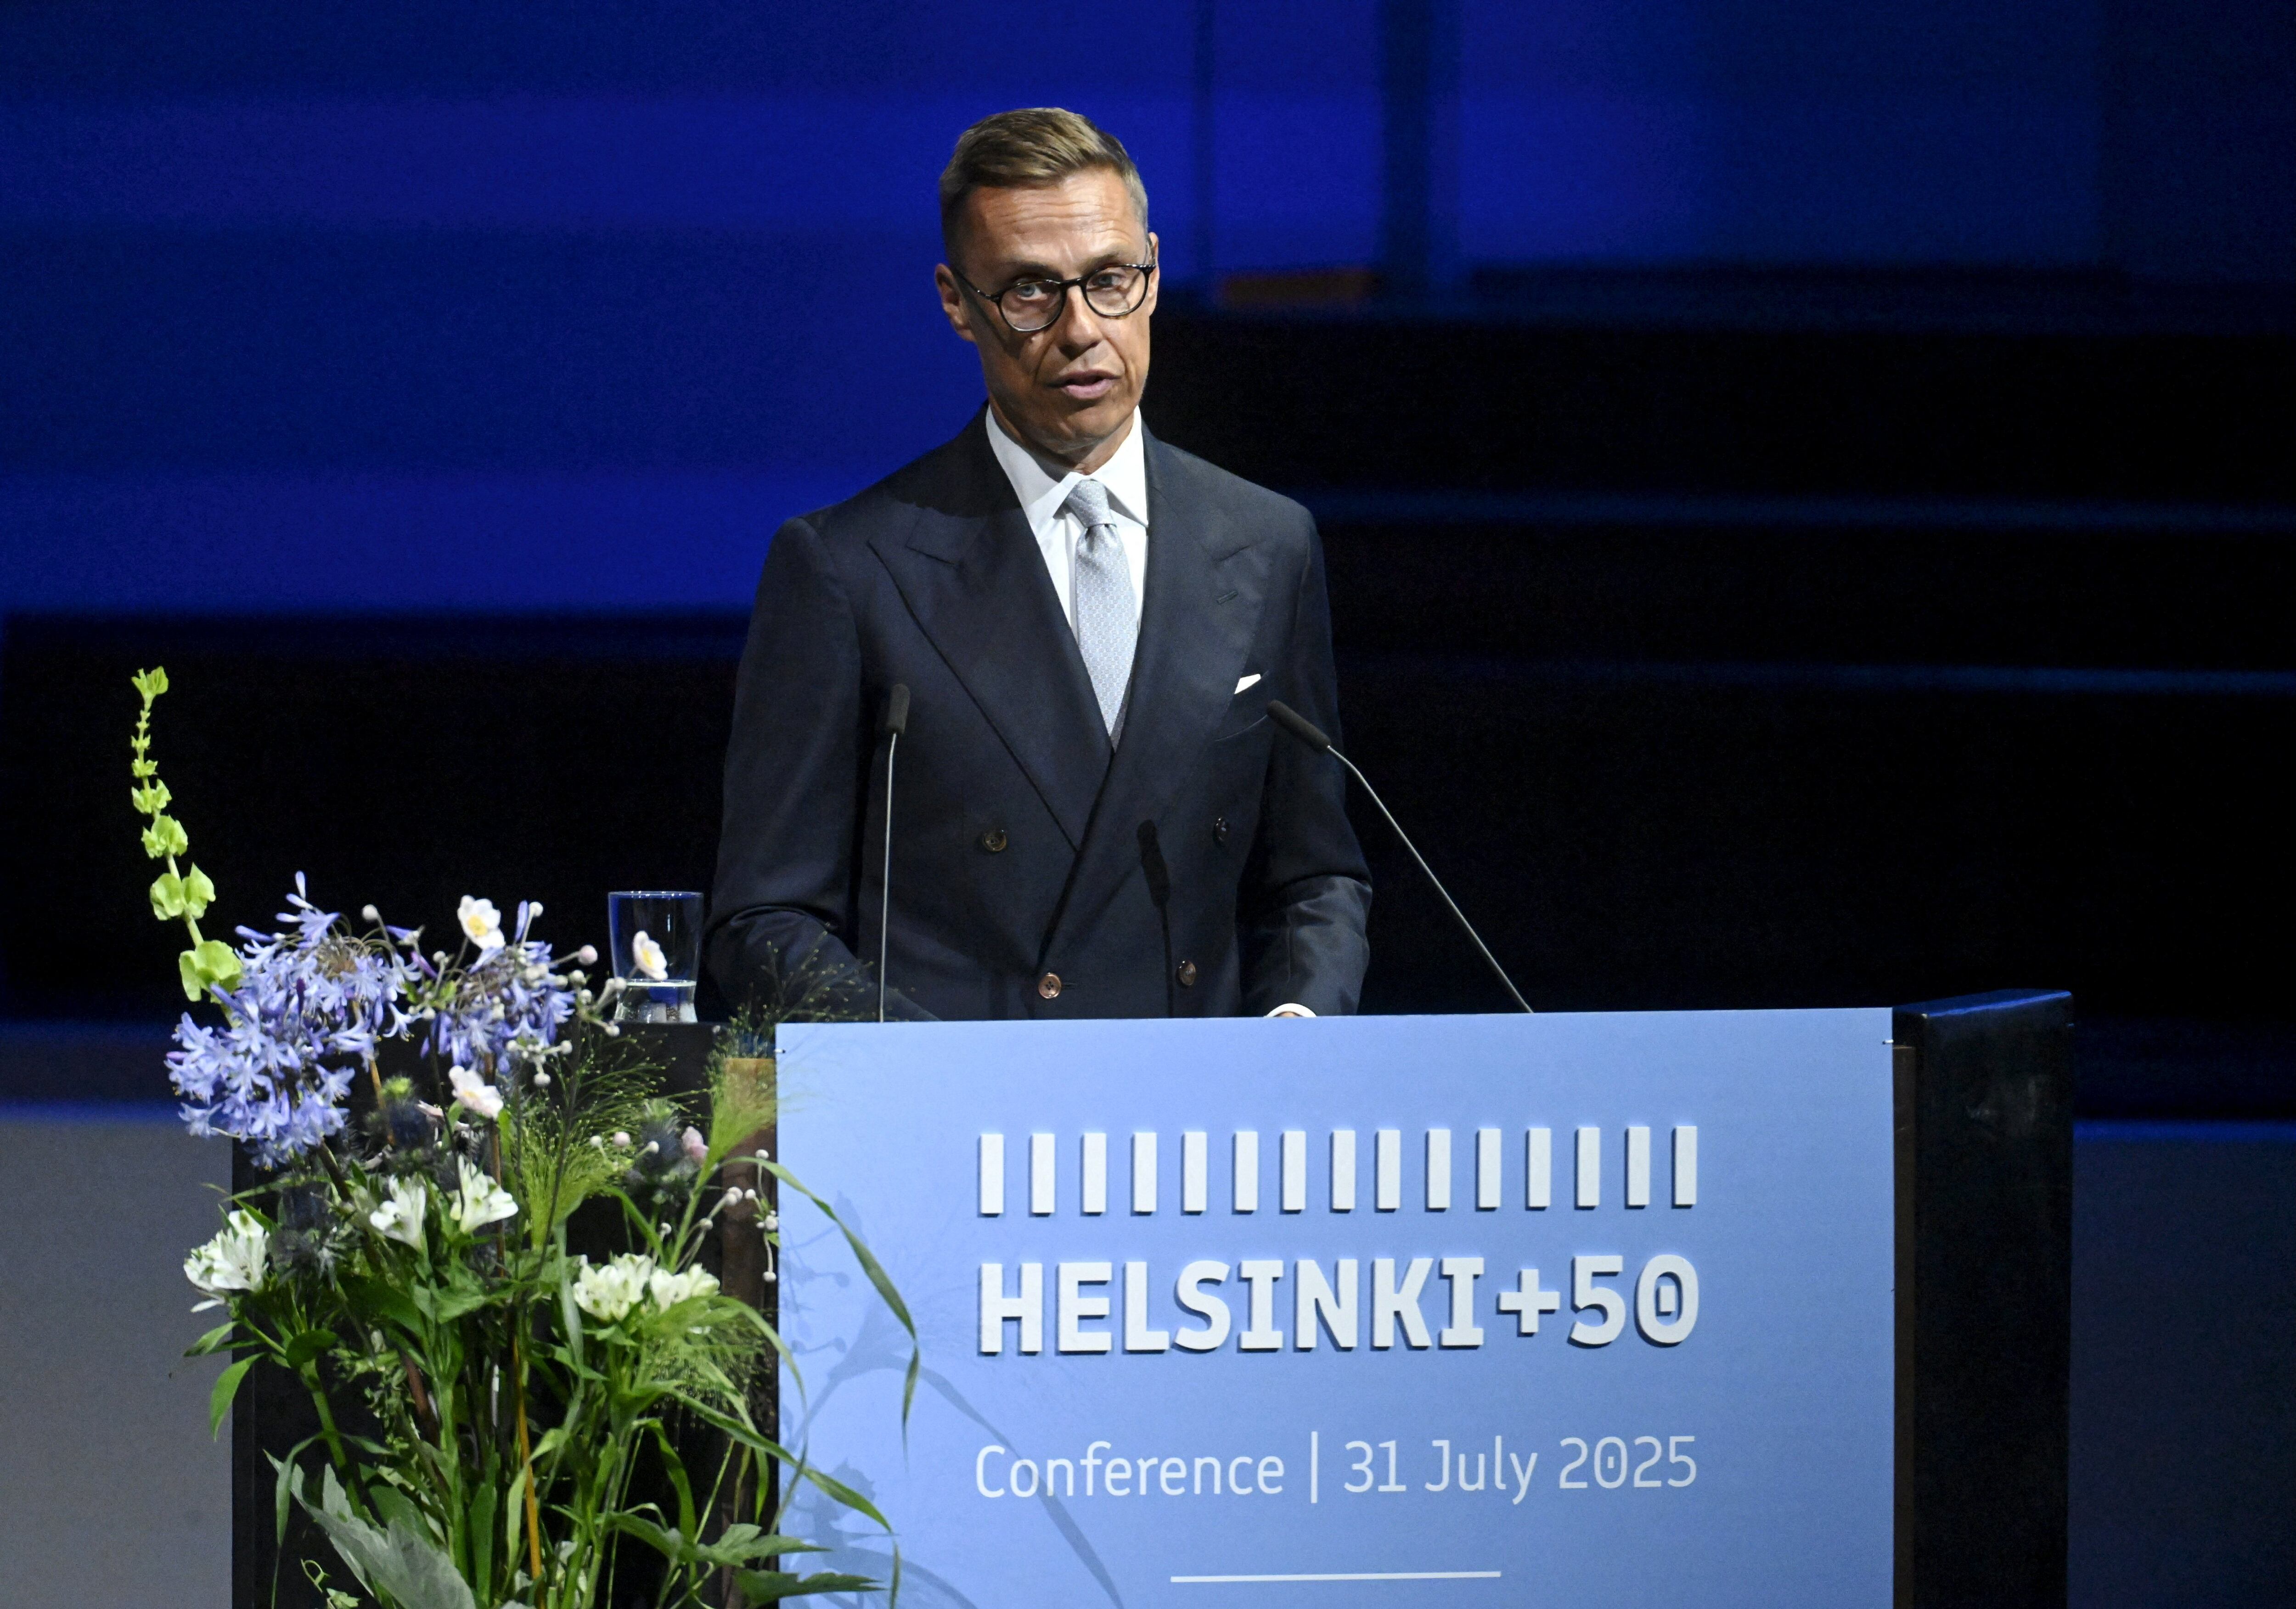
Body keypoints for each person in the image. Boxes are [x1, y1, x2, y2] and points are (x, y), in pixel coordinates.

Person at [705, 107, 1370, 1021]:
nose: (1080, 329)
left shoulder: (1267, 542)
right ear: (956, 302)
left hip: (1203, 1128)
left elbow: (1314, 875)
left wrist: (1296, 1037)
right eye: (1029, 291)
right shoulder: (847, 568)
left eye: (1109, 281)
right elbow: (765, 918)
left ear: (1154, 274)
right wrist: (930, 1077)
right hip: (953, 1132)